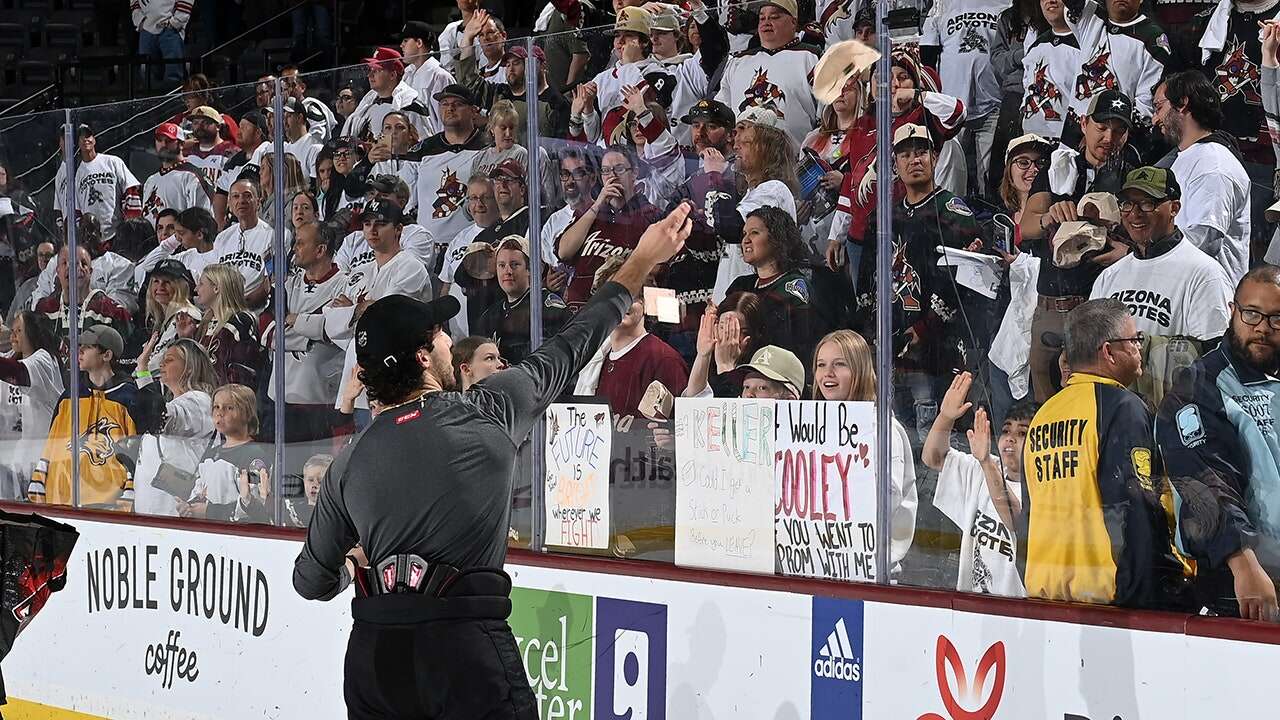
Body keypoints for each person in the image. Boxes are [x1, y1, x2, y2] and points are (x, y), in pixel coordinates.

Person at [292, 202, 695, 720]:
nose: (446, 339)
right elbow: (576, 341)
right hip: (461, 647)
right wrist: (641, 259)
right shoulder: (488, 410)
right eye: (437, 336)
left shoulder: (349, 463)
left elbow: (310, 582)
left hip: (375, 655)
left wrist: (352, 562)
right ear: (424, 358)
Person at [1020, 298, 1190, 608]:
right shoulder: (1122, 407)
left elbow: (1027, 517)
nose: (1140, 348)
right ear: (1109, 352)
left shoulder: (1042, 416)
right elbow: (1137, 505)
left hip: (1044, 597)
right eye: (1134, 340)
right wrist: (1160, 588)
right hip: (1113, 601)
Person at [1157, 265, 1280, 620]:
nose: (1262, 328)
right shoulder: (1199, 386)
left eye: (1276, 319)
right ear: (1232, 311)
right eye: (1252, 313)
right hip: (1244, 586)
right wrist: (1242, 563)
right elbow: (1205, 482)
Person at [1019, 89, 1139, 403]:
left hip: (1099, 311)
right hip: (1050, 306)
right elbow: (1026, 227)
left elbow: (1147, 238)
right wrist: (1049, 216)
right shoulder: (1058, 165)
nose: (1108, 137)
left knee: (1097, 405)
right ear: (1084, 123)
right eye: (1101, 126)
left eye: (1118, 129)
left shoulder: (1132, 176)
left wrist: (1128, 254)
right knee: (1045, 408)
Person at [318, 199, 432, 423]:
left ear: (399, 229)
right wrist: (362, 311)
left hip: (399, 385)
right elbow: (331, 321)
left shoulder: (411, 267)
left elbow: (385, 316)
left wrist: (353, 311)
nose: (372, 230)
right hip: (358, 383)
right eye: (367, 224)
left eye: (380, 224)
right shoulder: (360, 272)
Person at [1089, 167, 1232, 345]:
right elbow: (1092, 344)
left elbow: (1213, 352)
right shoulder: (1109, 276)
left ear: (1174, 208)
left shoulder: (1205, 274)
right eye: (1127, 204)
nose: (1135, 214)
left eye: (1147, 203)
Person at [924, 370, 1031, 597]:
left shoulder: (1045, 487)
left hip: (1018, 617)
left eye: (1022, 433)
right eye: (1006, 430)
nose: (1010, 438)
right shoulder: (982, 467)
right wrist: (945, 417)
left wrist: (985, 462)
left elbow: (1016, 520)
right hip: (972, 610)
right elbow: (933, 458)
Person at [29, 325, 155, 511]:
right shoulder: (70, 396)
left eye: (87, 347)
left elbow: (136, 453)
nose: (79, 351)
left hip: (108, 505)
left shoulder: (128, 398)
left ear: (107, 355)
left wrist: (129, 492)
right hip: (60, 498)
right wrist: (39, 480)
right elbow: (53, 443)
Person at [1152, 71, 1252, 285]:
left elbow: (1203, 241)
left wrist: (1142, 255)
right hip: (1185, 289)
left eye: (1158, 107)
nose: (1155, 119)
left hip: (1209, 298)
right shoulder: (1190, 158)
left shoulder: (1213, 164)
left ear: (1182, 104)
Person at [556, 145, 665, 310]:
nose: (612, 177)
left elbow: (658, 271)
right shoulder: (590, 213)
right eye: (606, 171)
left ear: (634, 173)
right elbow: (564, 251)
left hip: (620, 315)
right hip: (578, 315)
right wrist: (599, 203)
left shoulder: (650, 216)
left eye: (619, 169)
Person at [724, 207, 820, 385]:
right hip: (738, 375)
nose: (745, 239)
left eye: (754, 233)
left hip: (776, 383)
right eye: (744, 233)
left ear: (777, 239)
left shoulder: (794, 289)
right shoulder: (740, 286)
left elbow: (796, 349)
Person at [921, 0, 1006, 197]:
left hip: (993, 103)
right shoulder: (942, 4)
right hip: (953, 108)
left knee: (990, 177)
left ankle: (988, 220)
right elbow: (926, 57)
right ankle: (952, 219)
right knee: (951, 174)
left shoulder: (1005, 4)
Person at [275, 221, 347, 443]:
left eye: (300, 243)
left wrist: (294, 321)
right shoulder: (286, 284)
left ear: (320, 250)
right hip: (280, 394)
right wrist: (310, 328)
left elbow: (335, 330)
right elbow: (268, 331)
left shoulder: (345, 284)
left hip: (321, 398)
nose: (293, 248)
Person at [714, 0, 820, 145]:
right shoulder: (738, 61)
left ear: (793, 22)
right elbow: (722, 113)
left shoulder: (812, 57)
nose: (766, 22)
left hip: (794, 162)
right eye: (762, 18)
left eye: (774, 17)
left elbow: (828, 116)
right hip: (742, 161)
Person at [132, 337, 216, 517]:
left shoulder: (199, 401)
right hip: (150, 510)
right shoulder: (179, 402)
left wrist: (143, 371)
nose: (162, 363)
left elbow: (159, 418)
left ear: (190, 367)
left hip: (174, 512)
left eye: (169, 360)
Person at [413, 85, 488, 271]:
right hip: (425, 248)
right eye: (444, 104)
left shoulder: (488, 147)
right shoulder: (424, 148)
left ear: (473, 110)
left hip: (469, 247)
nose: (450, 108)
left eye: (457, 104)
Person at [1063, 0, 1173, 124]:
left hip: (1117, 130)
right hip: (1075, 124)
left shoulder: (1153, 38)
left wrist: (1121, 131)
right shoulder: (1090, 16)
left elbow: (1145, 102)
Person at [456, 30, 572, 144]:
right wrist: (468, 38)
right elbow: (470, 84)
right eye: (507, 65)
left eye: (516, 63)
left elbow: (561, 146)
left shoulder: (556, 102)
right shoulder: (500, 93)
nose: (510, 69)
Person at [475, 237, 570, 365]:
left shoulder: (547, 307)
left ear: (530, 269)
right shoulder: (488, 317)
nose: (507, 271)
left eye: (515, 265)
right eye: (502, 265)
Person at [0, 310, 64, 500]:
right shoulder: (13, 356)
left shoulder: (45, 360)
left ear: (33, 333)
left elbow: (16, 371)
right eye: (12, 330)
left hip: (43, 462)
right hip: (14, 462)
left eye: (19, 331)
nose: (13, 335)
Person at [35, 245, 134, 366]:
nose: (75, 268)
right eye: (66, 263)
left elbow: (125, 363)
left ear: (91, 272)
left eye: (83, 263)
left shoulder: (113, 312)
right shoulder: (44, 310)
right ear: (57, 271)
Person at [188, 383, 273, 523]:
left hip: (237, 536)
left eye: (229, 408)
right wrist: (189, 507)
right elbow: (198, 488)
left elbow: (255, 506)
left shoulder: (255, 455)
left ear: (247, 413)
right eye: (216, 407)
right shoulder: (211, 453)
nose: (220, 412)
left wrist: (210, 512)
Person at [53, 124, 142, 242]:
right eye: (81, 137)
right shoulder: (76, 174)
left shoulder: (112, 161)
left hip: (118, 235)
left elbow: (131, 190)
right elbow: (77, 211)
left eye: (88, 135)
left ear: (94, 140)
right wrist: (82, 238)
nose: (86, 139)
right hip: (93, 240)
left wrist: (130, 227)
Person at [341, 48, 433, 142]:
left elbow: (424, 145)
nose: (370, 75)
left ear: (392, 75)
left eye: (376, 70)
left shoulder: (411, 106)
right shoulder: (367, 103)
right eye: (370, 70)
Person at [194, 263, 260, 387]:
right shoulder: (205, 324)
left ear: (216, 288)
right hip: (206, 399)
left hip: (228, 401)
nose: (196, 289)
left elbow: (245, 371)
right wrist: (185, 336)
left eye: (201, 284)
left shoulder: (241, 320)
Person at [212, 178, 273, 307]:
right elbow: (215, 279)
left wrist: (241, 304)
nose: (241, 201)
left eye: (247, 196)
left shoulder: (272, 235)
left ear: (258, 201)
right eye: (235, 196)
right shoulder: (222, 238)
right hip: (225, 309)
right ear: (229, 203)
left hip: (257, 310)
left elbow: (270, 282)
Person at [142, 123, 215, 227]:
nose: (163, 144)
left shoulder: (192, 177)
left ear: (181, 144)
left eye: (169, 141)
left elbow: (202, 221)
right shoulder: (151, 180)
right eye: (159, 140)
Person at [137, 258, 200, 373]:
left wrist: (140, 375)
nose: (160, 287)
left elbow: (155, 366)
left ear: (180, 286)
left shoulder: (186, 315)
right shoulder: (165, 318)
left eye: (167, 282)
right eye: (156, 281)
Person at [398, 22, 454, 138]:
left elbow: (446, 119)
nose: (401, 45)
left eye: (405, 41)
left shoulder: (439, 76)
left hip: (432, 147)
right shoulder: (407, 74)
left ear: (419, 43)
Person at [214, 111, 268, 227]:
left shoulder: (268, 152)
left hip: (262, 220)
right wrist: (219, 224)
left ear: (258, 132)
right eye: (239, 127)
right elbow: (221, 192)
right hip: (236, 222)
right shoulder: (233, 162)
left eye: (244, 127)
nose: (239, 132)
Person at [131, 0, 190, 85]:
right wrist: (139, 20)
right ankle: (152, 98)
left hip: (170, 29)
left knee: (173, 75)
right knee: (147, 76)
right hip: (146, 28)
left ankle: (173, 98)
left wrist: (176, 21)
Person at [280, 65, 338, 143]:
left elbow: (317, 139)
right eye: (286, 86)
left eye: (293, 85)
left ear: (302, 87)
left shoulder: (310, 107)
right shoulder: (283, 109)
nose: (289, 90)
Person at [285, 453, 333, 527]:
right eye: (310, 480)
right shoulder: (294, 510)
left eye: (320, 481)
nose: (314, 485)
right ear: (304, 481)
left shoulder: (334, 513)